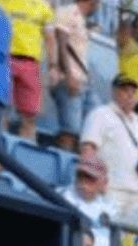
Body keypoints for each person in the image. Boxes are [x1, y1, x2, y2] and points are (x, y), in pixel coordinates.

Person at [82, 75, 138, 218]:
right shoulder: (101, 114)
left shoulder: (137, 122)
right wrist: (93, 181)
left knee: (130, 238)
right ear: (114, 92)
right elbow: (88, 149)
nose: (130, 95)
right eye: (125, 90)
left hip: (137, 193)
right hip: (112, 189)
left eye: (133, 92)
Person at [46, 0, 94, 153]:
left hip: (82, 81)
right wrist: (68, 75)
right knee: (70, 130)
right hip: (69, 78)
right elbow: (61, 42)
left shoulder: (80, 18)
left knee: (92, 128)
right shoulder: (68, 11)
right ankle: (61, 163)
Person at [0, 0, 47, 140]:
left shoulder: (42, 6)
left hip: (31, 63)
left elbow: (50, 37)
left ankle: (26, 155)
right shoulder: (1, 2)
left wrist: (54, 66)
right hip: (5, 58)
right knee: (1, 111)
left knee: (30, 116)